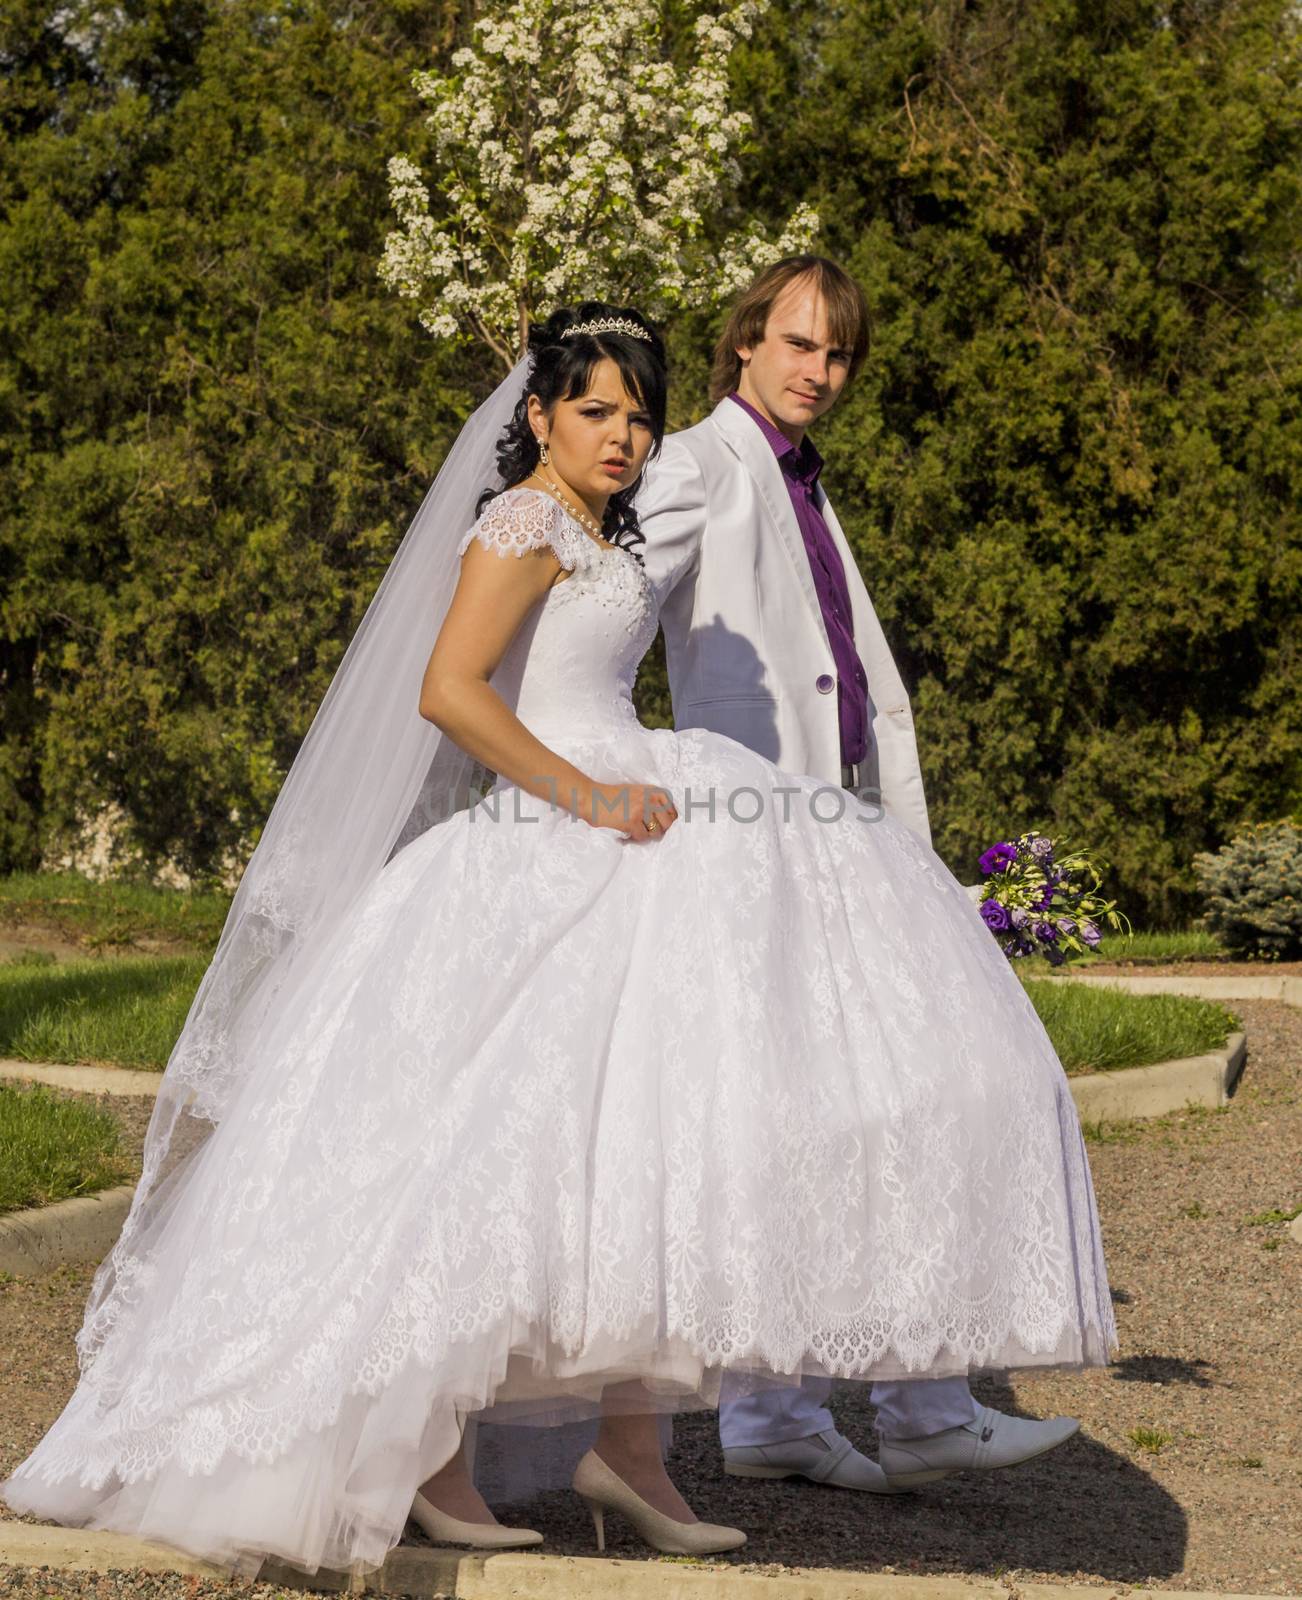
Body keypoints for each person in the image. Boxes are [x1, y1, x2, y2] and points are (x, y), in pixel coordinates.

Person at [0, 303, 1116, 1583]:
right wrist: (583, 795)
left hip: (638, 808)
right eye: (597, 411)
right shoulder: (521, 522)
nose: (626, 435)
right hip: (554, 827)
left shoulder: (608, 529)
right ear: (539, 418)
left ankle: (631, 1450)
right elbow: (452, 690)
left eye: (639, 414)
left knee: (641, 1129)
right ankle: (427, 1454)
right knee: (491, 1148)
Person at [634, 255, 1089, 1494]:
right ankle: (855, 1405)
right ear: (744, 342)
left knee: (882, 1095)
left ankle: (848, 1405)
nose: (817, 372)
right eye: (797, 344)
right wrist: (604, 756)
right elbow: (609, 607)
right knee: (821, 1105)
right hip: (749, 835)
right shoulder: (694, 465)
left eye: (836, 355)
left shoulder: (801, 484)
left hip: (838, 833)